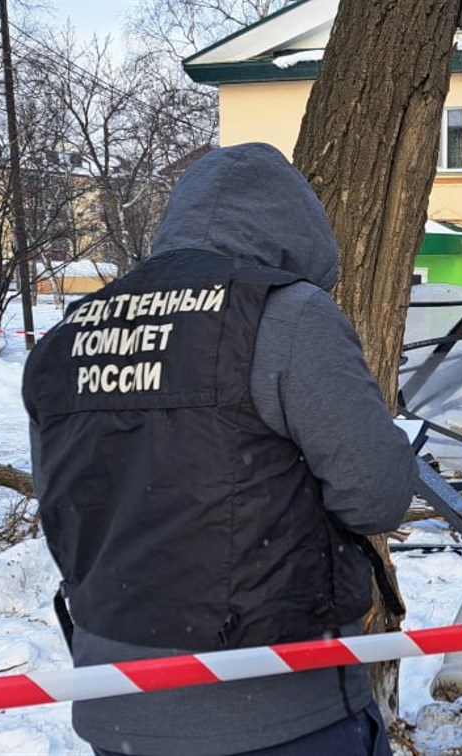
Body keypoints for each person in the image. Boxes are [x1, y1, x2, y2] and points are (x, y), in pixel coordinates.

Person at [22, 143, 417, 756]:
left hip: (116, 700)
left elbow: (62, 504)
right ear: (299, 229)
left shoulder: (68, 334)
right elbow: (378, 496)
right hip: (281, 710)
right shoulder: (287, 314)